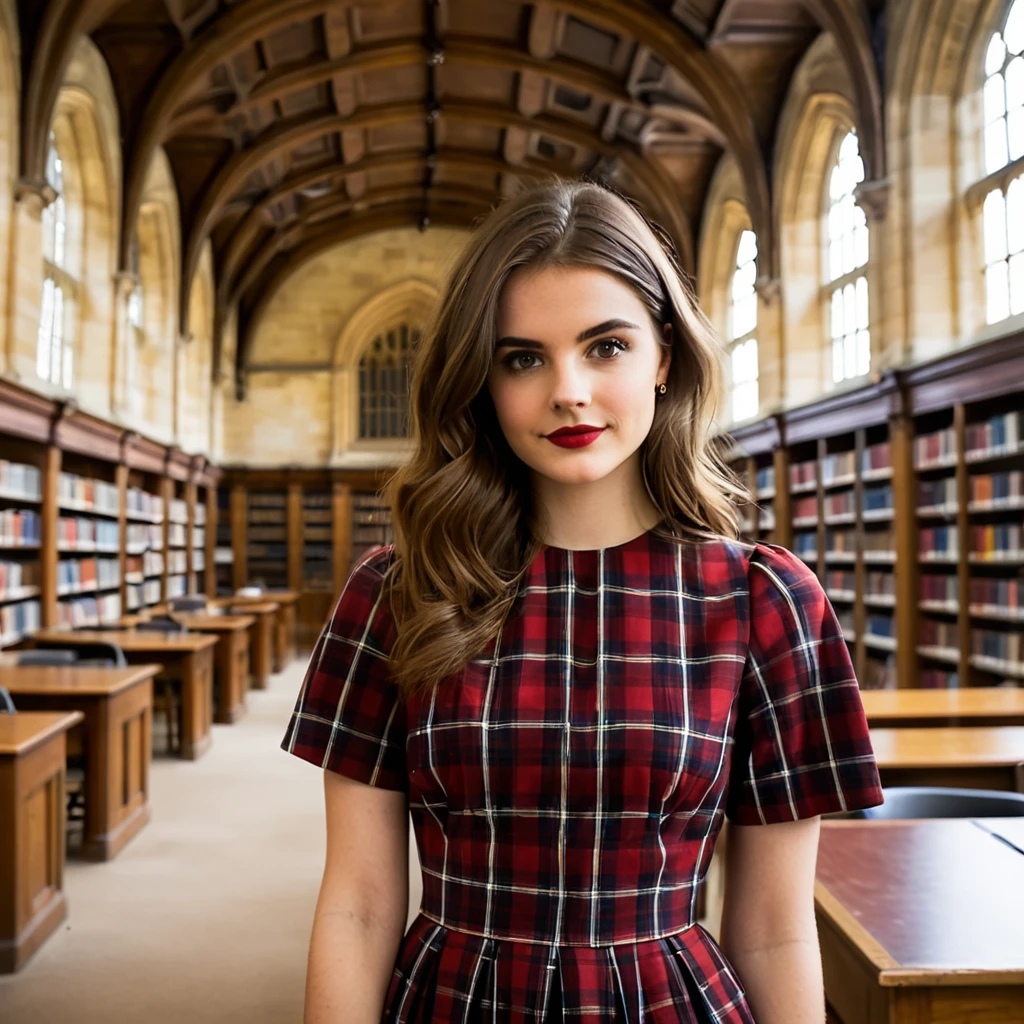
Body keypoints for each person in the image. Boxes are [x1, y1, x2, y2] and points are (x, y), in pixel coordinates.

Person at [281, 178, 884, 1023]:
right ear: (482, 381)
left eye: (605, 347)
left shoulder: (764, 601)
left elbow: (775, 929)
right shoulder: (395, 593)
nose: (568, 390)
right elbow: (359, 904)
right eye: (522, 357)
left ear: (664, 356)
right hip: (457, 1001)